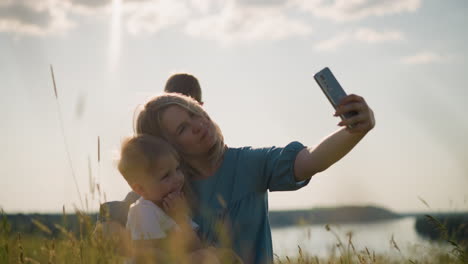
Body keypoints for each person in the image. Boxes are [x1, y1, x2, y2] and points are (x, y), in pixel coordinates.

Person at [134, 90, 375, 264]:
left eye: (194, 114)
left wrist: (355, 131)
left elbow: (310, 159)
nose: (198, 125)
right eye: (182, 128)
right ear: (168, 146)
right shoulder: (162, 192)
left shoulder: (249, 163)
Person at [118, 134, 242, 263]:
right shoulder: (143, 211)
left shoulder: (175, 208)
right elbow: (150, 256)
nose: (177, 178)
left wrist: (181, 218)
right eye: (166, 176)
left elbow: (195, 246)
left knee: (225, 255)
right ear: (140, 189)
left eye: (177, 169)